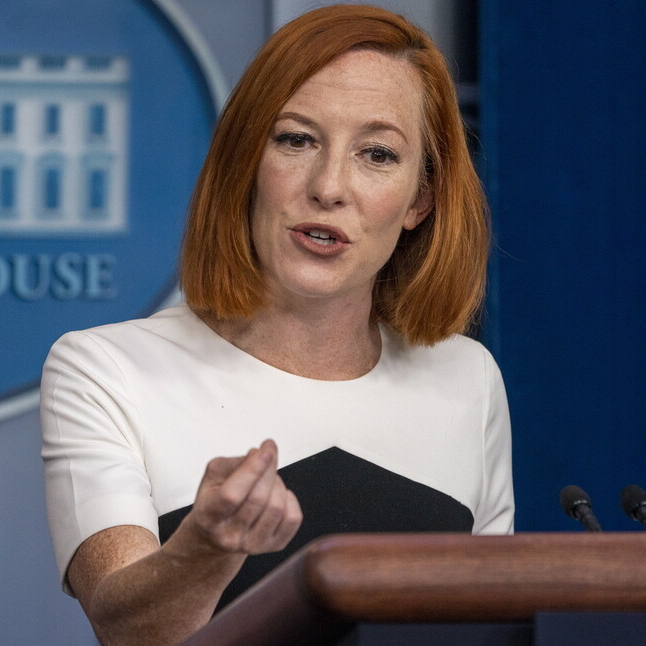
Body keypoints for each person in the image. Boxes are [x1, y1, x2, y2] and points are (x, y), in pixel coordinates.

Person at [41, 4, 514, 645]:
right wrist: (205, 548)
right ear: (246, 163)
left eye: (377, 154)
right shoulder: (107, 370)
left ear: (420, 200)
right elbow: (126, 629)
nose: (329, 186)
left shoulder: (468, 378)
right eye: (296, 140)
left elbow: (490, 625)